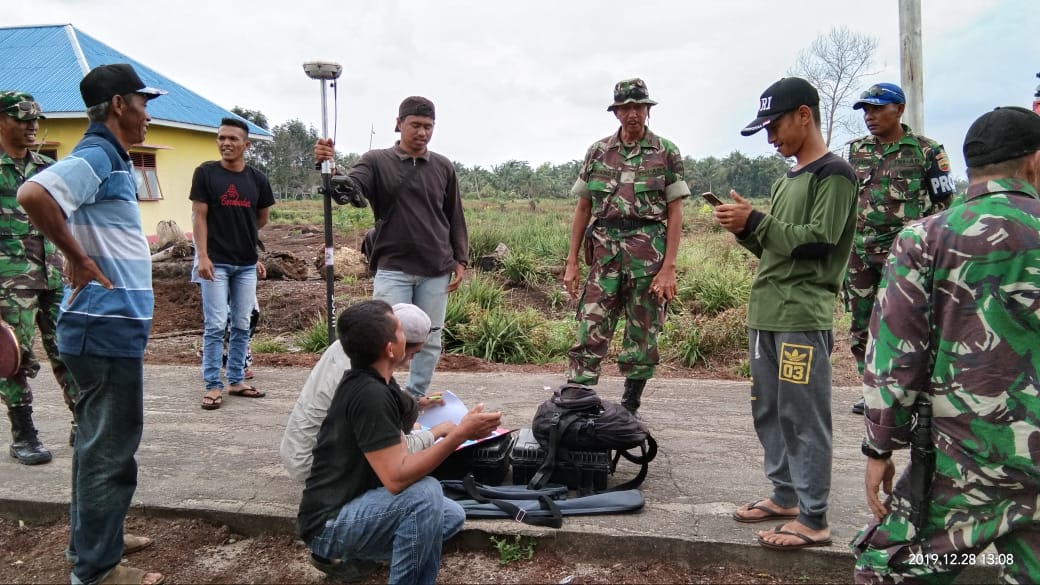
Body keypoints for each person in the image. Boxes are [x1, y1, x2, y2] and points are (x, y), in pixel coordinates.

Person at [852, 106, 1040, 583]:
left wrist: (880, 448)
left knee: (891, 566)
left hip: (964, 464)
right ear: (1034, 163)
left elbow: (895, 359)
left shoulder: (924, 239)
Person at [17, 62, 166, 585]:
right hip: (102, 328)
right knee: (110, 450)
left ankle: (97, 538)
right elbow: (34, 194)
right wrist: (76, 258)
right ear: (121, 104)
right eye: (144, 103)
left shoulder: (113, 159)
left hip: (105, 326)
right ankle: (97, 569)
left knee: (94, 442)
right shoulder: (98, 153)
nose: (149, 113)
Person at [715, 77, 857, 549]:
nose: (771, 137)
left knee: (803, 413)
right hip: (767, 314)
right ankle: (786, 496)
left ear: (804, 115)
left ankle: (814, 518)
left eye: (773, 126)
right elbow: (776, 249)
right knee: (770, 410)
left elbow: (817, 243)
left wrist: (757, 221)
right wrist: (744, 228)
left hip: (801, 316)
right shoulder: (786, 180)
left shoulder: (833, 175)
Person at [297, 299, 500, 584]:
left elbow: (403, 423)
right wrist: (458, 435)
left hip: (357, 501)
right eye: (400, 330)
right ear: (391, 349)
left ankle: (370, 558)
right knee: (425, 494)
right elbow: (396, 478)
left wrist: (425, 410)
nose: (407, 333)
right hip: (328, 524)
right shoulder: (370, 396)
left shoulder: (376, 381)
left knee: (450, 514)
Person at [313, 96, 468, 399]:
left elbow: (455, 216)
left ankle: (414, 398)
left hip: (436, 267)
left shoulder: (443, 167)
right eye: (415, 125)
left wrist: (460, 259)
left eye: (428, 126)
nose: (422, 132)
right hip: (393, 267)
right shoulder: (376, 160)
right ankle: (381, 396)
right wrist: (329, 168)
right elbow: (351, 191)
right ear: (399, 124)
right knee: (383, 337)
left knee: (430, 338)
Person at [562, 78, 689, 416]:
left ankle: (630, 406)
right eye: (626, 108)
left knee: (643, 332)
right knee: (590, 325)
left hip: (648, 256)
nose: (633, 114)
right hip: (604, 255)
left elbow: (676, 211)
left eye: (639, 107)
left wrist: (670, 266)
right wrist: (572, 261)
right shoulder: (598, 152)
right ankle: (577, 401)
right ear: (616, 112)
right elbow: (583, 207)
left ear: (647, 110)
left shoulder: (666, 152)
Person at [844, 83, 955, 416]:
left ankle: (913, 390)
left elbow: (944, 205)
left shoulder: (927, 151)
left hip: (904, 254)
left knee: (907, 323)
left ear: (900, 109)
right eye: (865, 110)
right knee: (862, 325)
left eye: (877, 108)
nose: (869, 116)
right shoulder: (856, 151)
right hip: (860, 254)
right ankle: (872, 390)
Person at [280, 302, 449, 483]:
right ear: (392, 347)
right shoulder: (365, 384)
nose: (411, 360)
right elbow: (398, 451)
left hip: (299, 450)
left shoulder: (352, 347)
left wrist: (417, 403)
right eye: (414, 352)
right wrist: (444, 432)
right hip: (316, 464)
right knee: (426, 485)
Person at [0, 90, 76, 464]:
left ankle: (82, 422)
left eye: (35, 119)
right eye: (22, 119)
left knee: (70, 349)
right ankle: (23, 433)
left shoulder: (48, 169)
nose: (32, 126)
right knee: (13, 356)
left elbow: (64, 221)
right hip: (10, 281)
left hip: (53, 274)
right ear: (2, 120)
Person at [191, 117, 274, 410]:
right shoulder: (206, 174)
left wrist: (251, 250)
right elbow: (198, 216)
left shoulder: (257, 180)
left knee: (241, 324)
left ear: (246, 145)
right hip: (215, 263)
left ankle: (237, 380)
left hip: (246, 265)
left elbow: (260, 218)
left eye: (233, 139)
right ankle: (213, 385)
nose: (226, 143)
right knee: (215, 325)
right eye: (222, 138)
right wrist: (202, 256)